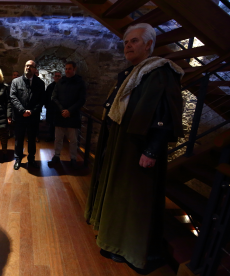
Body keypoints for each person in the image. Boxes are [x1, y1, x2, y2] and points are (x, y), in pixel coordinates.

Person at [84, 23, 184, 274]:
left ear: (149, 44)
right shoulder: (133, 73)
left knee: (134, 201)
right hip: (123, 145)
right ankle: (113, 242)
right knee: (119, 196)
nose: (128, 45)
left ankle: (130, 248)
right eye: (126, 42)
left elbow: (166, 115)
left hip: (139, 149)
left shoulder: (161, 72)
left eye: (135, 41)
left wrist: (152, 151)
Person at [48, 62, 85, 167]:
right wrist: (62, 110)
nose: (67, 71)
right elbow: (54, 97)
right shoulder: (61, 82)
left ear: (74, 69)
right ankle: (56, 156)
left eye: (69, 69)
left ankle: (73, 158)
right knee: (58, 138)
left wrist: (70, 111)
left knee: (73, 140)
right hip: (60, 115)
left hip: (72, 115)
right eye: (66, 69)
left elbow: (81, 100)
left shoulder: (80, 83)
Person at [10, 60, 44, 170]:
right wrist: (22, 111)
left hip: (33, 117)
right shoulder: (16, 82)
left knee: (32, 139)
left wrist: (32, 111)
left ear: (35, 69)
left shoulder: (40, 83)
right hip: (20, 117)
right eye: (26, 66)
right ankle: (18, 159)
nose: (28, 68)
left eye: (31, 66)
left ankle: (31, 159)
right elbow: (13, 97)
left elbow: (41, 101)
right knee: (18, 139)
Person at [44, 71, 62, 142]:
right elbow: (46, 97)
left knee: (59, 125)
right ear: (53, 77)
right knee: (51, 124)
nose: (57, 77)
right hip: (51, 108)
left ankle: (58, 139)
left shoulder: (63, 87)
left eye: (59, 76)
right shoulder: (50, 87)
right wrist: (47, 106)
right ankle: (51, 137)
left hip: (59, 109)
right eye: (56, 76)